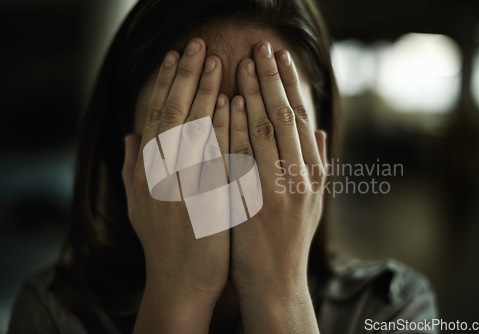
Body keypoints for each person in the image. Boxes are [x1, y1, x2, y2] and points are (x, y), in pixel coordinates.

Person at [8, 0, 439, 333]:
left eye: (266, 122)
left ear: (317, 156)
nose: (233, 163)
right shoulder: (54, 313)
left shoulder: (393, 307)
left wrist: (278, 296)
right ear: (132, 155)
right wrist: (178, 297)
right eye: (195, 125)